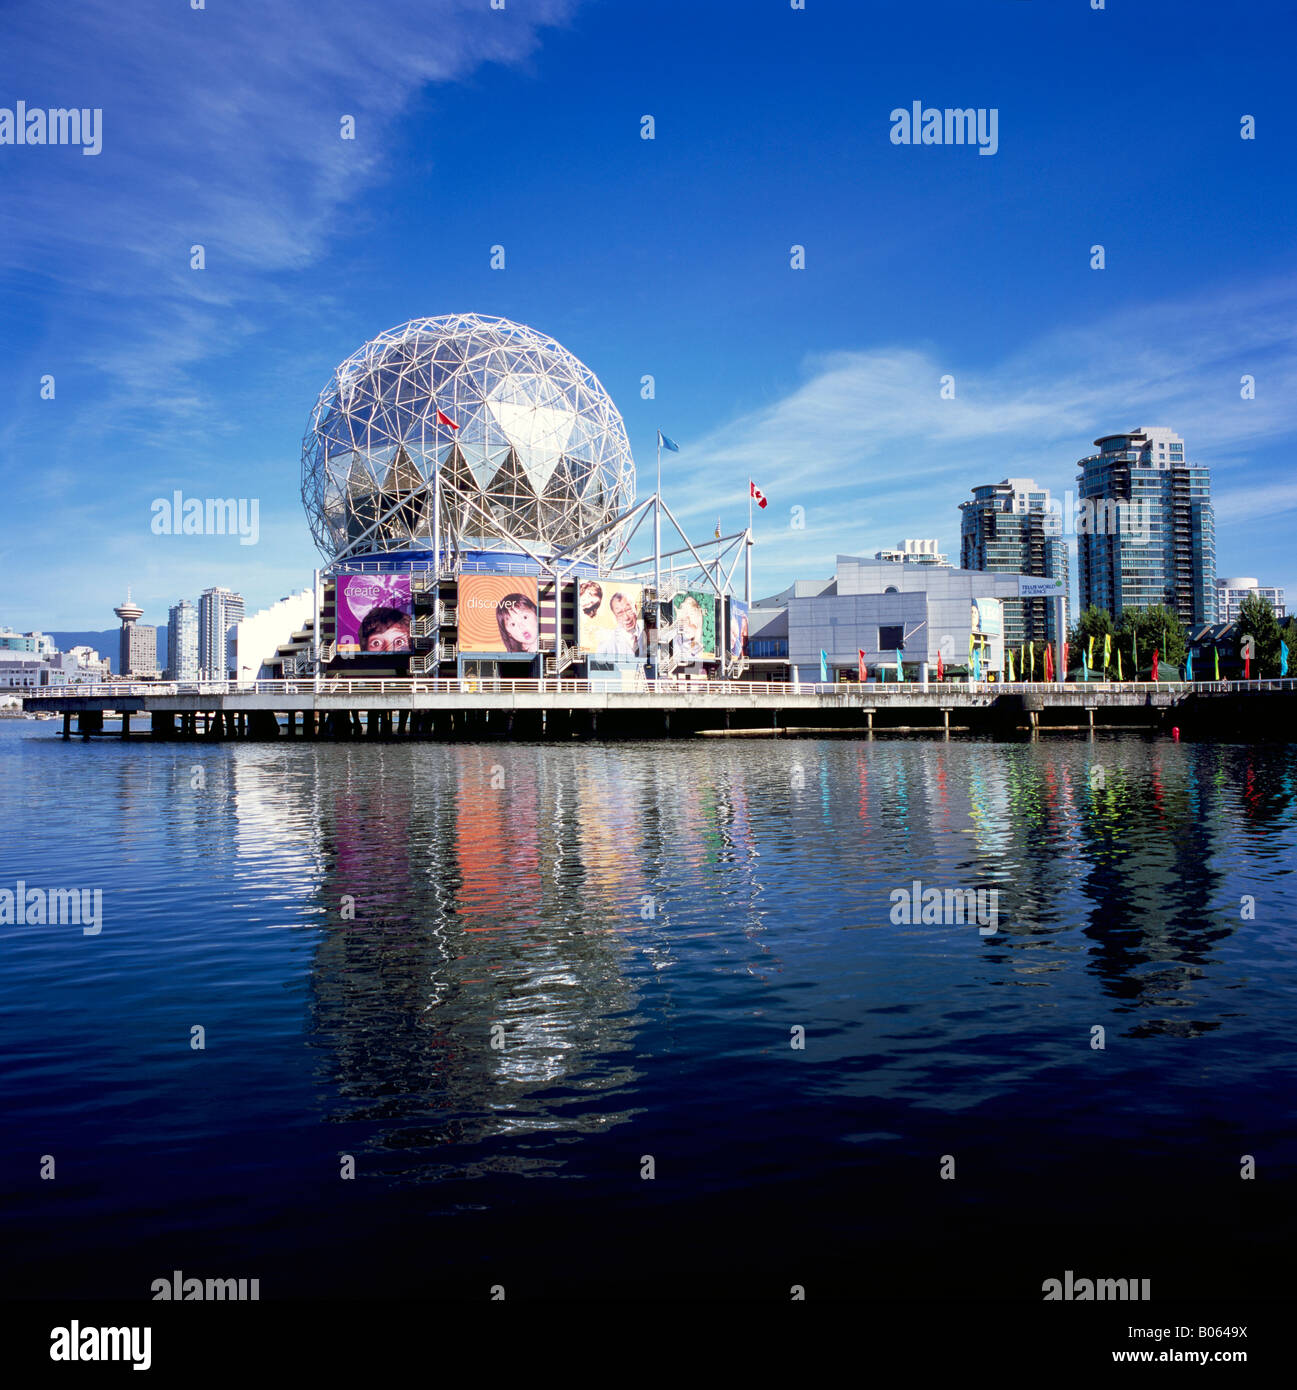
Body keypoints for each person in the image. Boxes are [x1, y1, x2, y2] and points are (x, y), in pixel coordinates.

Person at [596, 590, 646, 658]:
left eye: (628, 610)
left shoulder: (648, 632)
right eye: (620, 613)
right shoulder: (606, 643)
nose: (626, 618)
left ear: (636, 608)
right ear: (614, 616)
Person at [674, 594, 706, 662]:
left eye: (691, 614)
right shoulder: (676, 638)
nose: (689, 621)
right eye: (686, 613)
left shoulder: (698, 649)